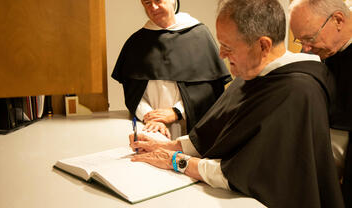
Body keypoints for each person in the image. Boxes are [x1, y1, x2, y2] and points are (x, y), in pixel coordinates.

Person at [128, 0, 345, 207]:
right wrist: (170, 146)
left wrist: (176, 161)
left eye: (228, 47)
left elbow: (249, 174)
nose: (221, 54)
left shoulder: (298, 92)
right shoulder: (251, 72)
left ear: (263, 46)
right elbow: (218, 132)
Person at [111, 0, 230, 140]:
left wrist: (177, 112)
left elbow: (210, 90)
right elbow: (132, 93)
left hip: (191, 132)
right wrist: (150, 116)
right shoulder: (136, 42)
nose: (153, 7)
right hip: (151, 129)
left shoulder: (199, 35)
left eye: (158, 0)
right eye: (147, 3)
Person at [289, 0, 352, 206]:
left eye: (310, 38)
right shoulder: (322, 50)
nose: (307, 48)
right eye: (300, 40)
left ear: (338, 20)